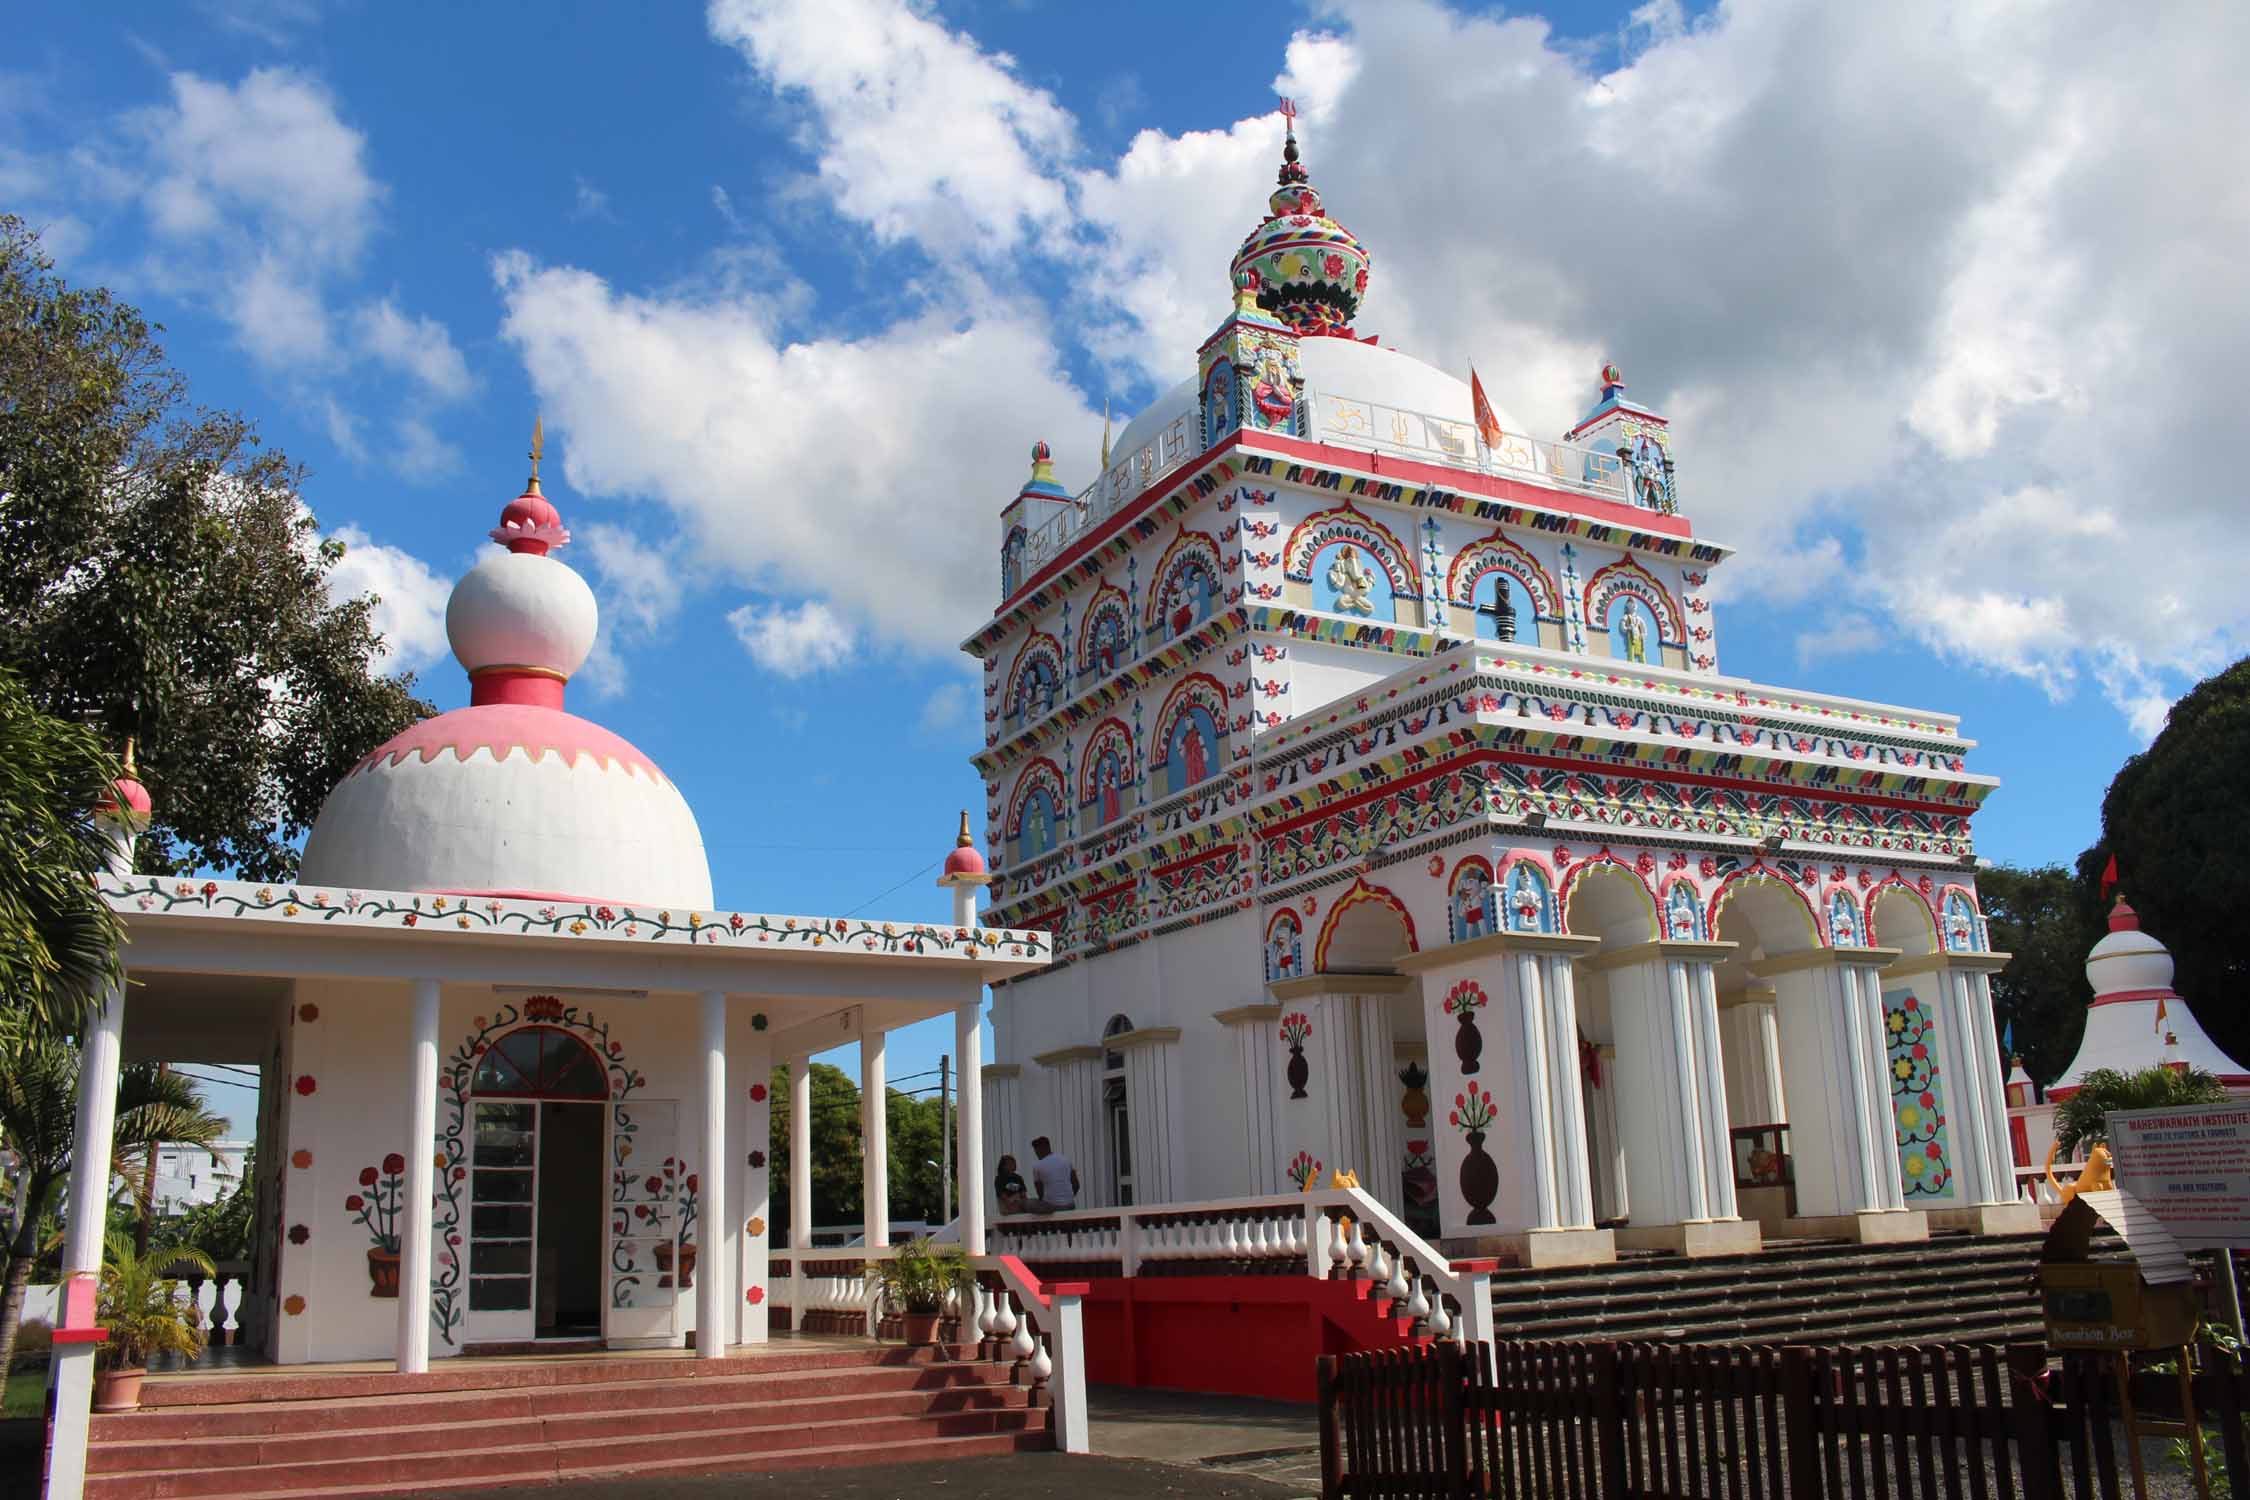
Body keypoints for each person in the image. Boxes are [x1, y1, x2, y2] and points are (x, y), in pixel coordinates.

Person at [1027, 1136, 1079, 1214]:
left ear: (1041, 1149)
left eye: (1036, 1150)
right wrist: (1067, 1199)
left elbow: (1040, 1193)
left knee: (1026, 1203)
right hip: (1070, 1205)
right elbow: (1076, 1185)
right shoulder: (1066, 1160)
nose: (1036, 1153)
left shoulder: (1037, 1166)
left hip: (1051, 1207)